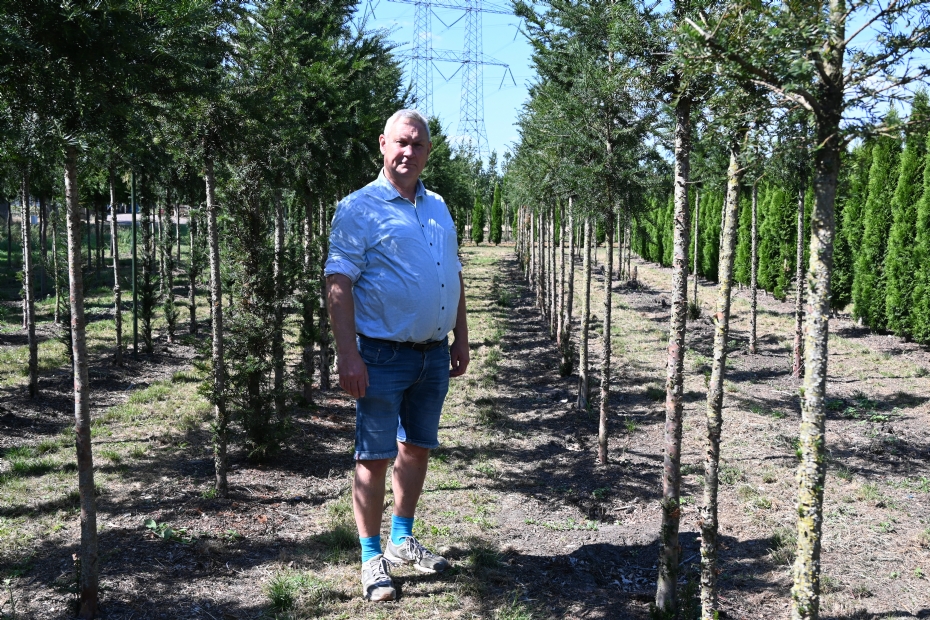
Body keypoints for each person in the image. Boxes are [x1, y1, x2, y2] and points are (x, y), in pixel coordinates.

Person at [324, 109, 470, 602]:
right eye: (401, 142)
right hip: (382, 356)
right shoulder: (358, 208)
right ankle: (371, 557)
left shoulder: (438, 207)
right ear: (383, 144)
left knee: (418, 446)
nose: (409, 152)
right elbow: (339, 283)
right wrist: (348, 354)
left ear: (429, 153)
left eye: (419, 145)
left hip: (432, 356)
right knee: (374, 455)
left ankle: (402, 539)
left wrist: (461, 337)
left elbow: (453, 272)